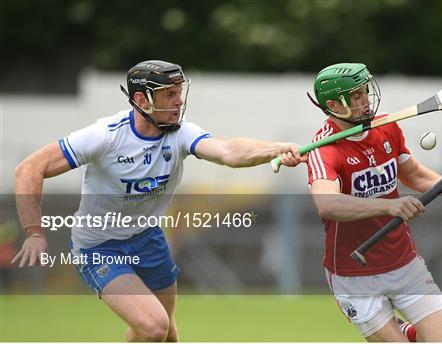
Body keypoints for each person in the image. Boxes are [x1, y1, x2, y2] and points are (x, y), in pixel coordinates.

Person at [11, 60, 305, 342]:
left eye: (179, 92)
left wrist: (275, 149)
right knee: (153, 327)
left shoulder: (181, 133)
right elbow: (29, 169)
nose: (179, 101)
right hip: (98, 248)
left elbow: (228, 151)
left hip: (148, 240)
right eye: (170, 94)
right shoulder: (105, 136)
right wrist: (34, 232)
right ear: (142, 98)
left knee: (167, 334)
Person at [307, 63, 442, 342]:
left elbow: (413, 175)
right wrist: (389, 205)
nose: (365, 99)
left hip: (403, 264)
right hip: (353, 274)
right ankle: (403, 331)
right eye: (355, 96)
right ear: (333, 104)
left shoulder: (386, 128)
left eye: (365, 91)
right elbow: (327, 204)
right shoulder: (323, 150)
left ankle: (405, 329)